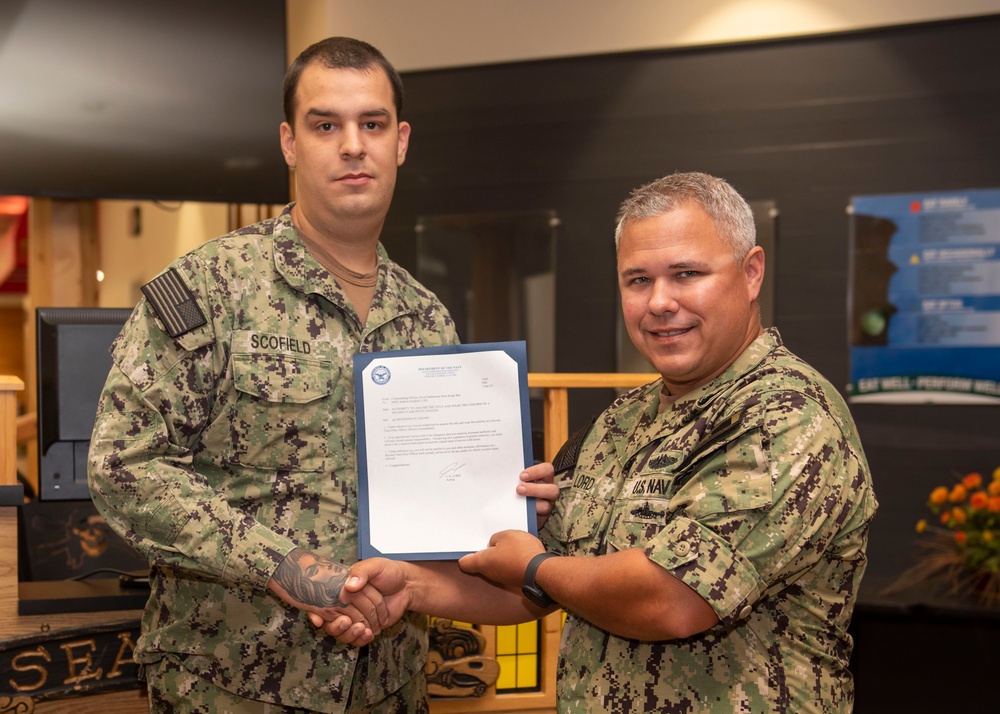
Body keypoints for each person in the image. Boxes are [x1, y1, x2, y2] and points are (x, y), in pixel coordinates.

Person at [87, 37, 555, 714]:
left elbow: (441, 517)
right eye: (325, 125)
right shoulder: (210, 289)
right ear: (289, 143)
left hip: (389, 685)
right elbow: (124, 468)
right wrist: (286, 568)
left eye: (372, 124)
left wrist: (502, 501)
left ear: (400, 141)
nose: (352, 145)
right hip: (230, 687)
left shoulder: (427, 321)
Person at [336, 171, 879, 713]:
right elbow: (551, 586)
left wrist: (534, 566)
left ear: (751, 272)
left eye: (687, 273)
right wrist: (407, 587)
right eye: (638, 280)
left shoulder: (785, 416)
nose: (660, 302)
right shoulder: (625, 419)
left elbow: (674, 599)